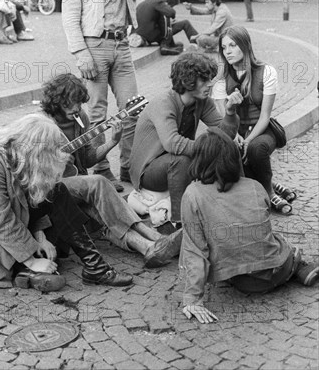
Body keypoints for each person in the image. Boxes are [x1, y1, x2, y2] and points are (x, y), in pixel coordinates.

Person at [0, 114, 133, 290]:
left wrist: (39, 234)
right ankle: (25, 269)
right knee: (37, 254)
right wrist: (31, 260)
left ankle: (96, 268)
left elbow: (30, 197)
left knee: (57, 190)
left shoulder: (15, 151)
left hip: (11, 217)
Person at [62, 0, 163, 189]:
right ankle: (102, 168)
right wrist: (80, 54)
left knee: (133, 109)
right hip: (93, 46)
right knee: (96, 113)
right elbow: (69, 16)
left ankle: (129, 167)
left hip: (122, 45)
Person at [40, 73, 182, 267]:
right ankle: (154, 235)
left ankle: (147, 247)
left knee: (103, 216)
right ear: (57, 102)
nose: (76, 108)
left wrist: (113, 142)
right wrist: (52, 160)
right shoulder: (41, 124)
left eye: (79, 103)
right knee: (98, 181)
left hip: (75, 185)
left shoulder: (80, 118)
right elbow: (25, 161)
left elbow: (88, 159)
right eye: (70, 103)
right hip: (49, 187)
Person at [180, 128, 319, 324]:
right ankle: (296, 265)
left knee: (205, 239)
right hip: (278, 269)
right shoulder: (255, 186)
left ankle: (292, 266)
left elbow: (195, 250)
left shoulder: (192, 194)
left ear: (199, 160)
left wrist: (193, 299)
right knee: (278, 240)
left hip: (243, 281)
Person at [129, 52, 243, 225]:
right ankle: (179, 222)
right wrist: (210, 149)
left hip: (177, 160)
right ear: (187, 81)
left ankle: (237, 203)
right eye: (203, 80)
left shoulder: (202, 101)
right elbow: (172, 143)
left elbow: (224, 136)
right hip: (149, 171)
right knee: (181, 160)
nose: (209, 84)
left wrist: (230, 113)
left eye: (209, 79)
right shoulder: (163, 103)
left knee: (230, 147)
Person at [213, 25, 296, 214]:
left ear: (245, 45)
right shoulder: (220, 79)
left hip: (261, 128)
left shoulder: (266, 72)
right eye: (224, 48)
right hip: (234, 130)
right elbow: (222, 119)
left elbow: (265, 116)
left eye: (233, 45)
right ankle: (271, 183)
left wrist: (248, 139)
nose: (228, 52)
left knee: (255, 149)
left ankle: (268, 192)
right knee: (231, 154)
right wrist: (235, 137)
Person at [130, 0, 198, 55]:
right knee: (185, 23)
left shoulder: (142, 3)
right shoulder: (158, 2)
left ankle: (170, 45)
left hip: (140, 33)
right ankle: (197, 43)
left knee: (165, 20)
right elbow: (171, 13)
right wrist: (170, 13)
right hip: (151, 34)